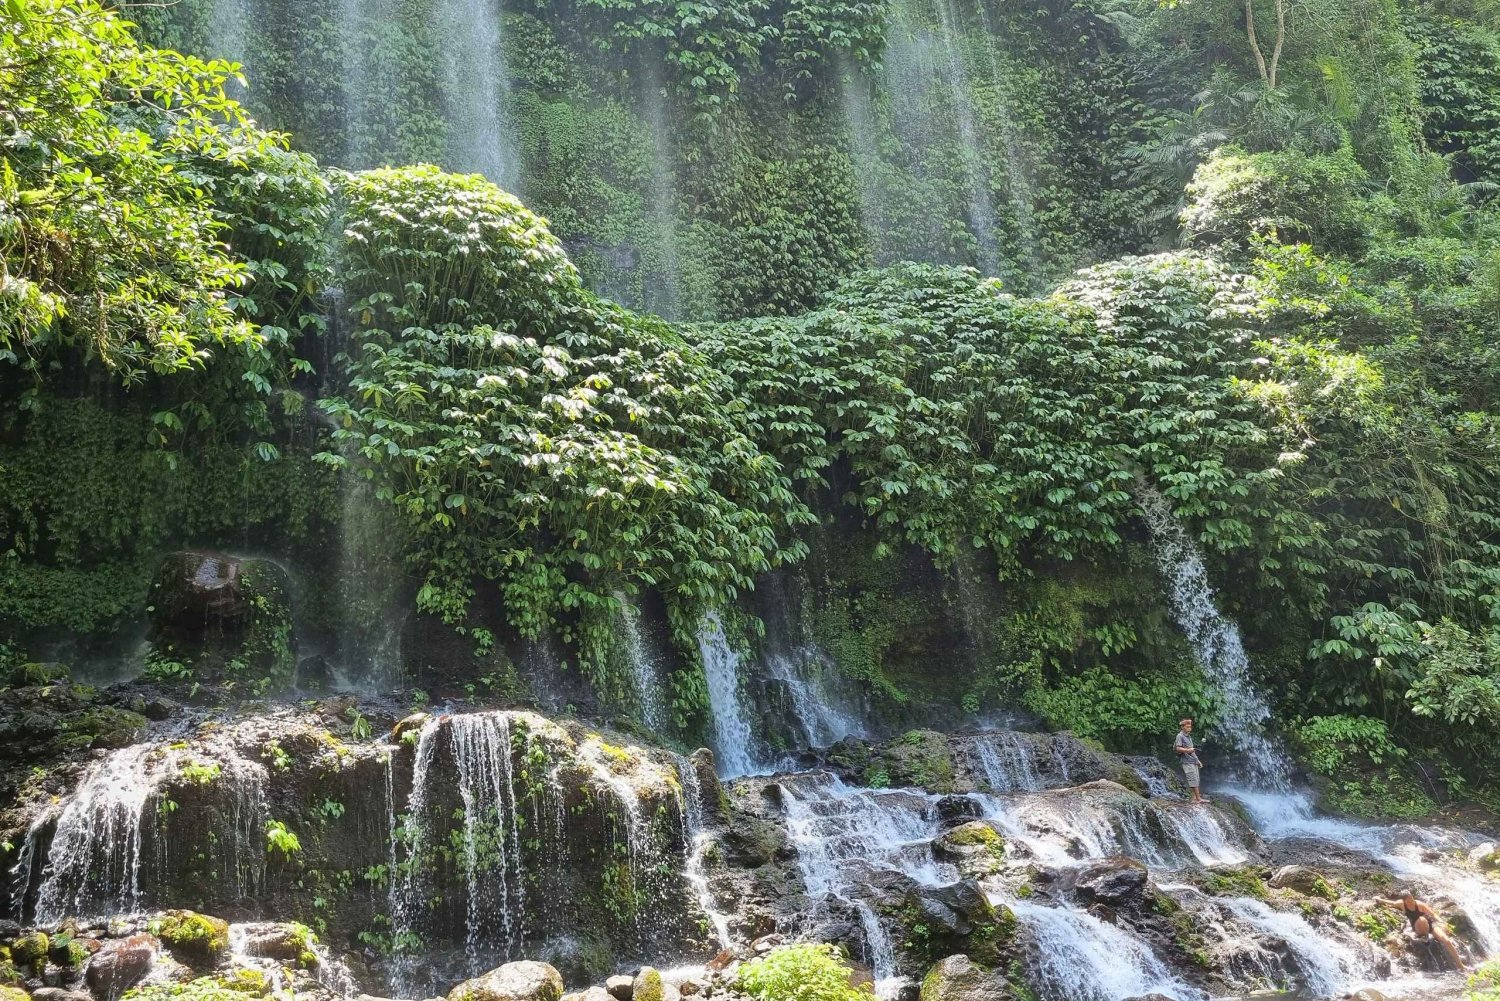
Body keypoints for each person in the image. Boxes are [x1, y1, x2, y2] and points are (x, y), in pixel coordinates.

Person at [1374, 890, 1465, 970]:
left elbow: (1433, 914)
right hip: (1418, 927)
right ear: (1404, 901)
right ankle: (1425, 937)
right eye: (1408, 901)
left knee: (1447, 941)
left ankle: (1461, 965)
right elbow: (1391, 903)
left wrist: (1442, 922)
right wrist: (1379, 899)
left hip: (1430, 924)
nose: (1411, 902)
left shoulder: (1420, 904)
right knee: (1420, 920)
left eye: (1412, 900)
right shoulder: (1401, 904)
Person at [1173, 718, 1210, 804]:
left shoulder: (1189, 737)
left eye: (1190, 727)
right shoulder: (1180, 736)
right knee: (1192, 779)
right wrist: (1188, 750)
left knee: (1196, 779)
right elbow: (1178, 748)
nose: (1189, 728)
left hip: (1192, 761)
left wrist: (1197, 761)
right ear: (1182, 727)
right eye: (1187, 727)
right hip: (1186, 761)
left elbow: (1192, 751)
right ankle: (1198, 799)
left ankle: (1194, 798)